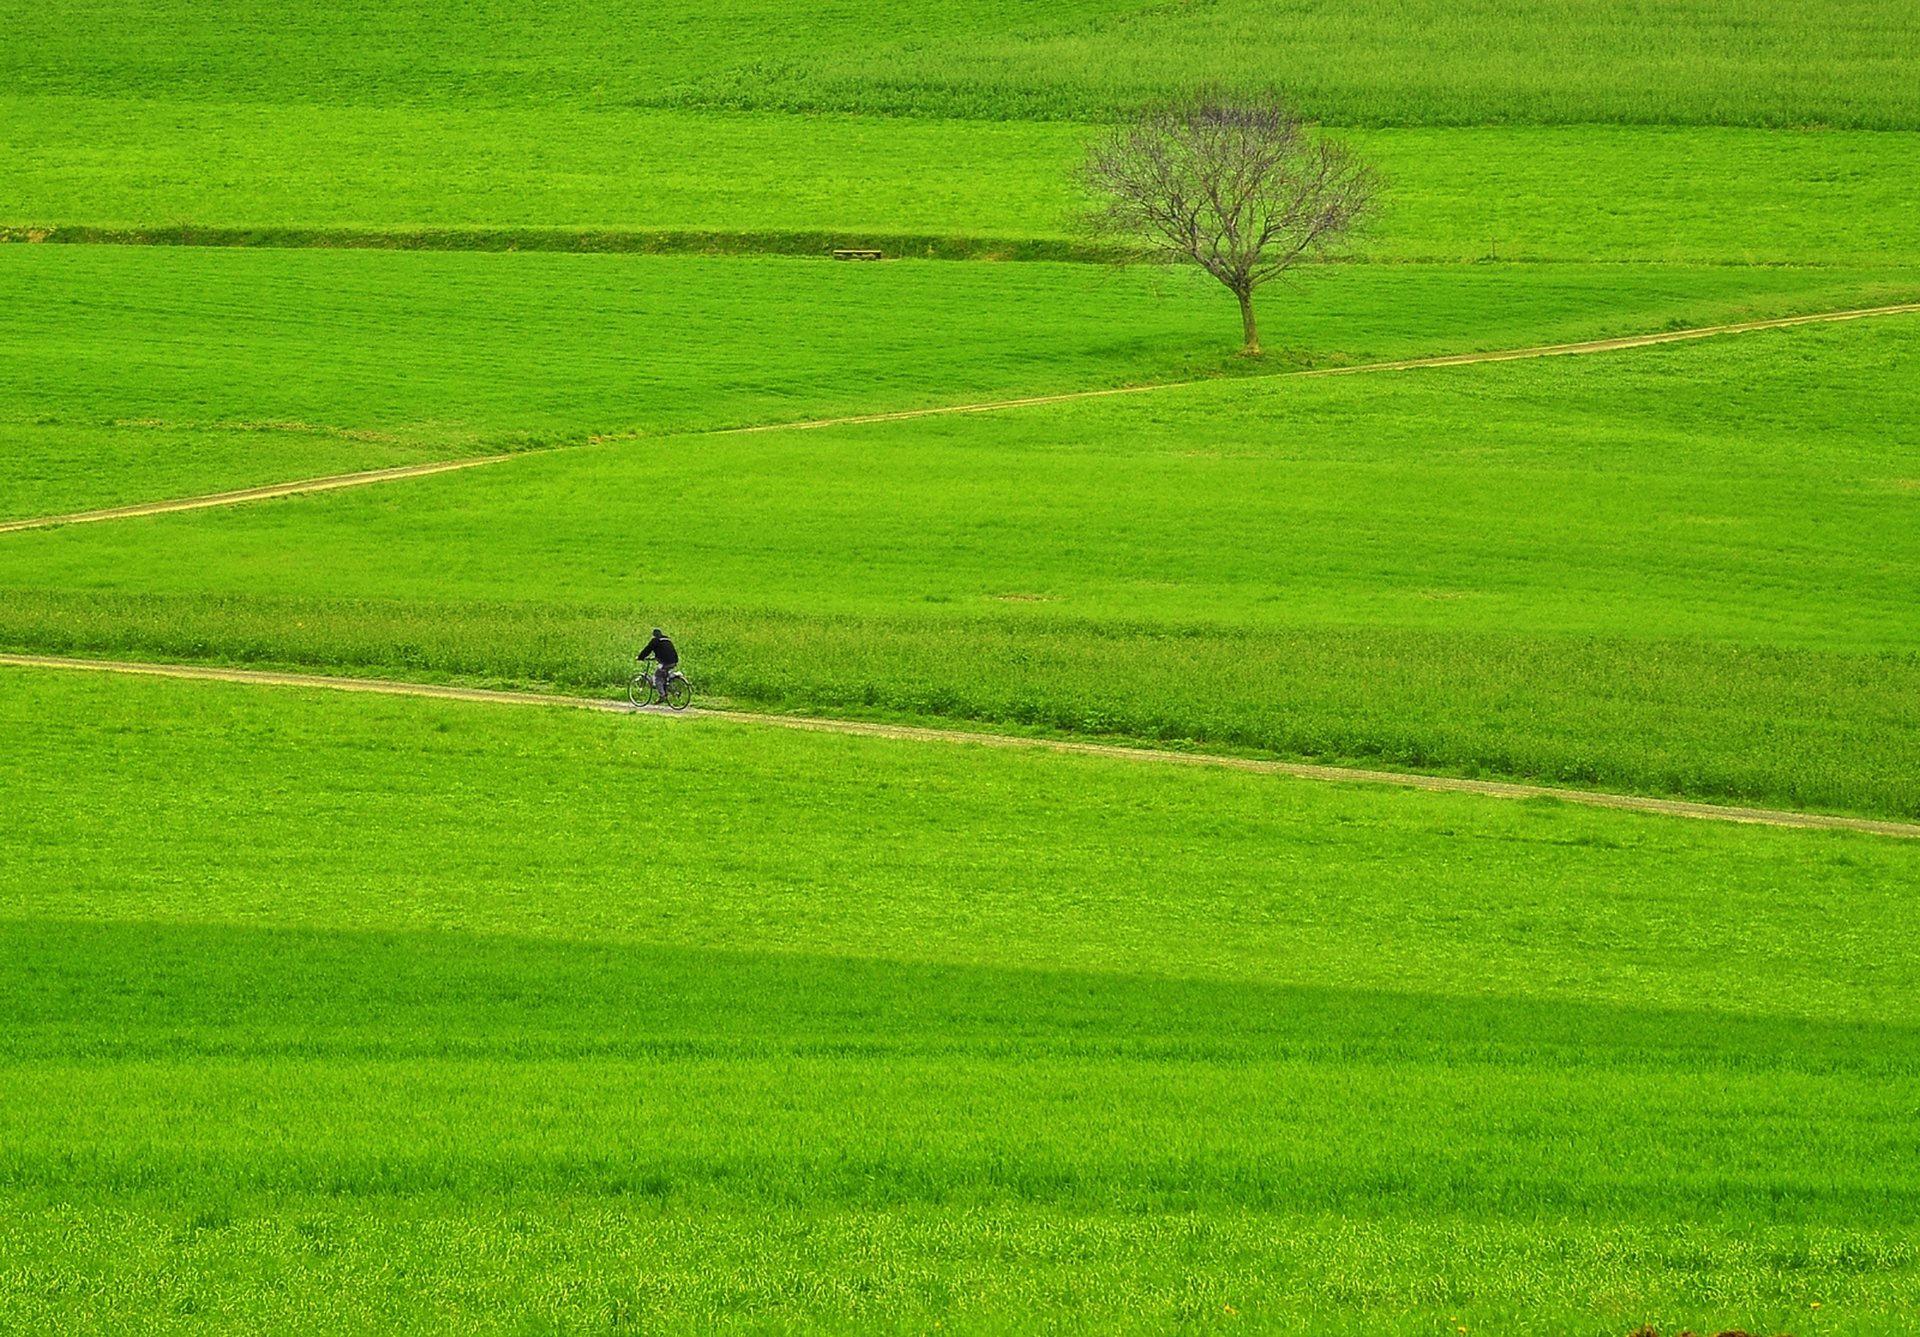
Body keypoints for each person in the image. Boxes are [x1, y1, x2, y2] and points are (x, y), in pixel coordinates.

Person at [636, 627, 679, 700]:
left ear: (654, 635)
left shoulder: (655, 641)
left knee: (657, 677)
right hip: (674, 660)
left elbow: (647, 650)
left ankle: (662, 696)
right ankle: (666, 688)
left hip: (666, 662)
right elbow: (665, 651)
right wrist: (656, 657)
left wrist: (640, 657)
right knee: (664, 675)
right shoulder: (667, 640)